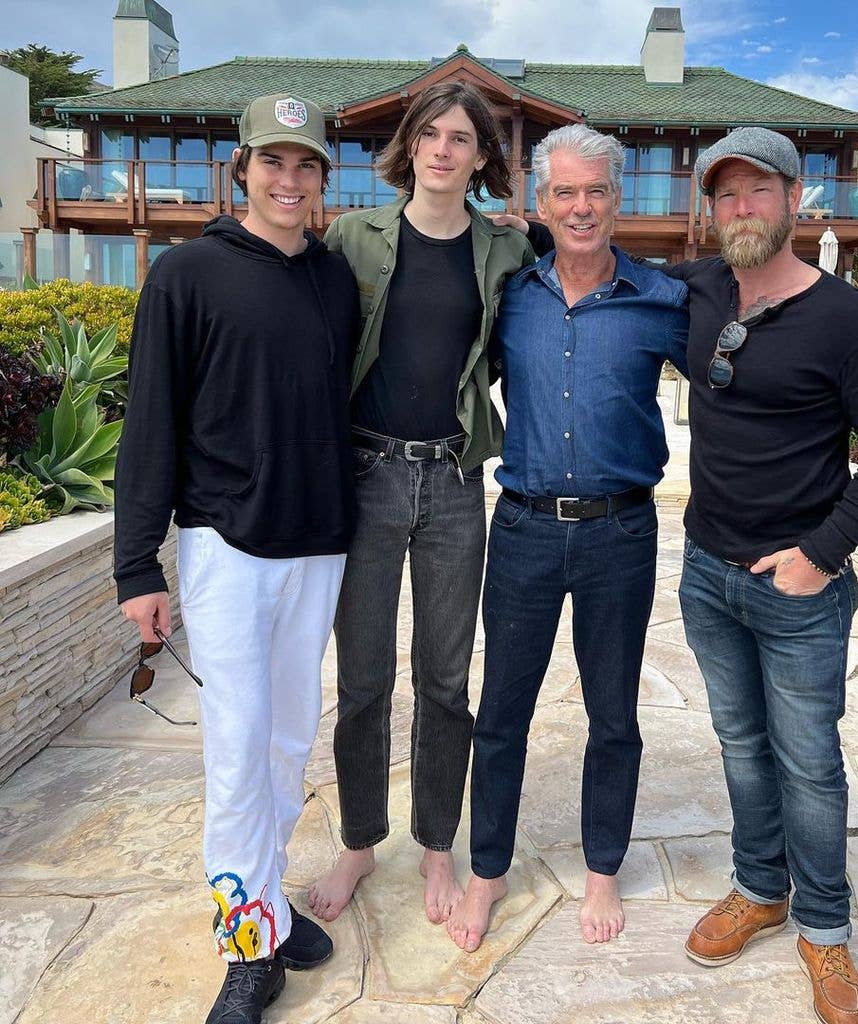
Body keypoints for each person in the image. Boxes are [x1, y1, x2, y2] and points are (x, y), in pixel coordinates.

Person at [114, 93, 360, 1024]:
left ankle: (267, 893)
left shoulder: (335, 279)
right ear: (241, 170)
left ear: (320, 180)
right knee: (236, 749)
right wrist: (138, 565)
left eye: (305, 166)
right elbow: (150, 425)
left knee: (290, 740)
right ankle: (247, 945)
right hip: (225, 546)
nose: (288, 180)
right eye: (273, 163)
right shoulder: (187, 274)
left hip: (318, 543)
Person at [673, 129, 858, 1024]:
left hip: (798, 590)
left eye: (757, 192)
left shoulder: (848, 321)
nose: (741, 209)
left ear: (797, 199)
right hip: (707, 574)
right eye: (725, 195)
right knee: (741, 749)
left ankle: (825, 928)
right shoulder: (701, 291)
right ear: (712, 210)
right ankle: (759, 889)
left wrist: (822, 555)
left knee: (810, 767)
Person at [446, 123, 688, 953]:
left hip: (622, 532)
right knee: (502, 714)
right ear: (539, 202)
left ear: (617, 200)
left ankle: (602, 870)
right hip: (523, 532)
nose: (581, 207)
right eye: (564, 193)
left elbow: (741, 384)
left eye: (596, 192)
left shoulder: (663, 301)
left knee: (613, 715)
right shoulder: (510, 294)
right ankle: (487, 874)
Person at [306, 82, 534, 927]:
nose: (444, 149)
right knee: (363, 678)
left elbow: (559, 275)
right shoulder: (350, 237)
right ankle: (362, 840)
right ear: (411, 146)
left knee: (444, 679)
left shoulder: (501, 249)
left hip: (453, 483)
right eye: (430, 134)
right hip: (365, 478)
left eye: (462, 139)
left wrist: (533, 226)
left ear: (482, 158)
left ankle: (438, 844)